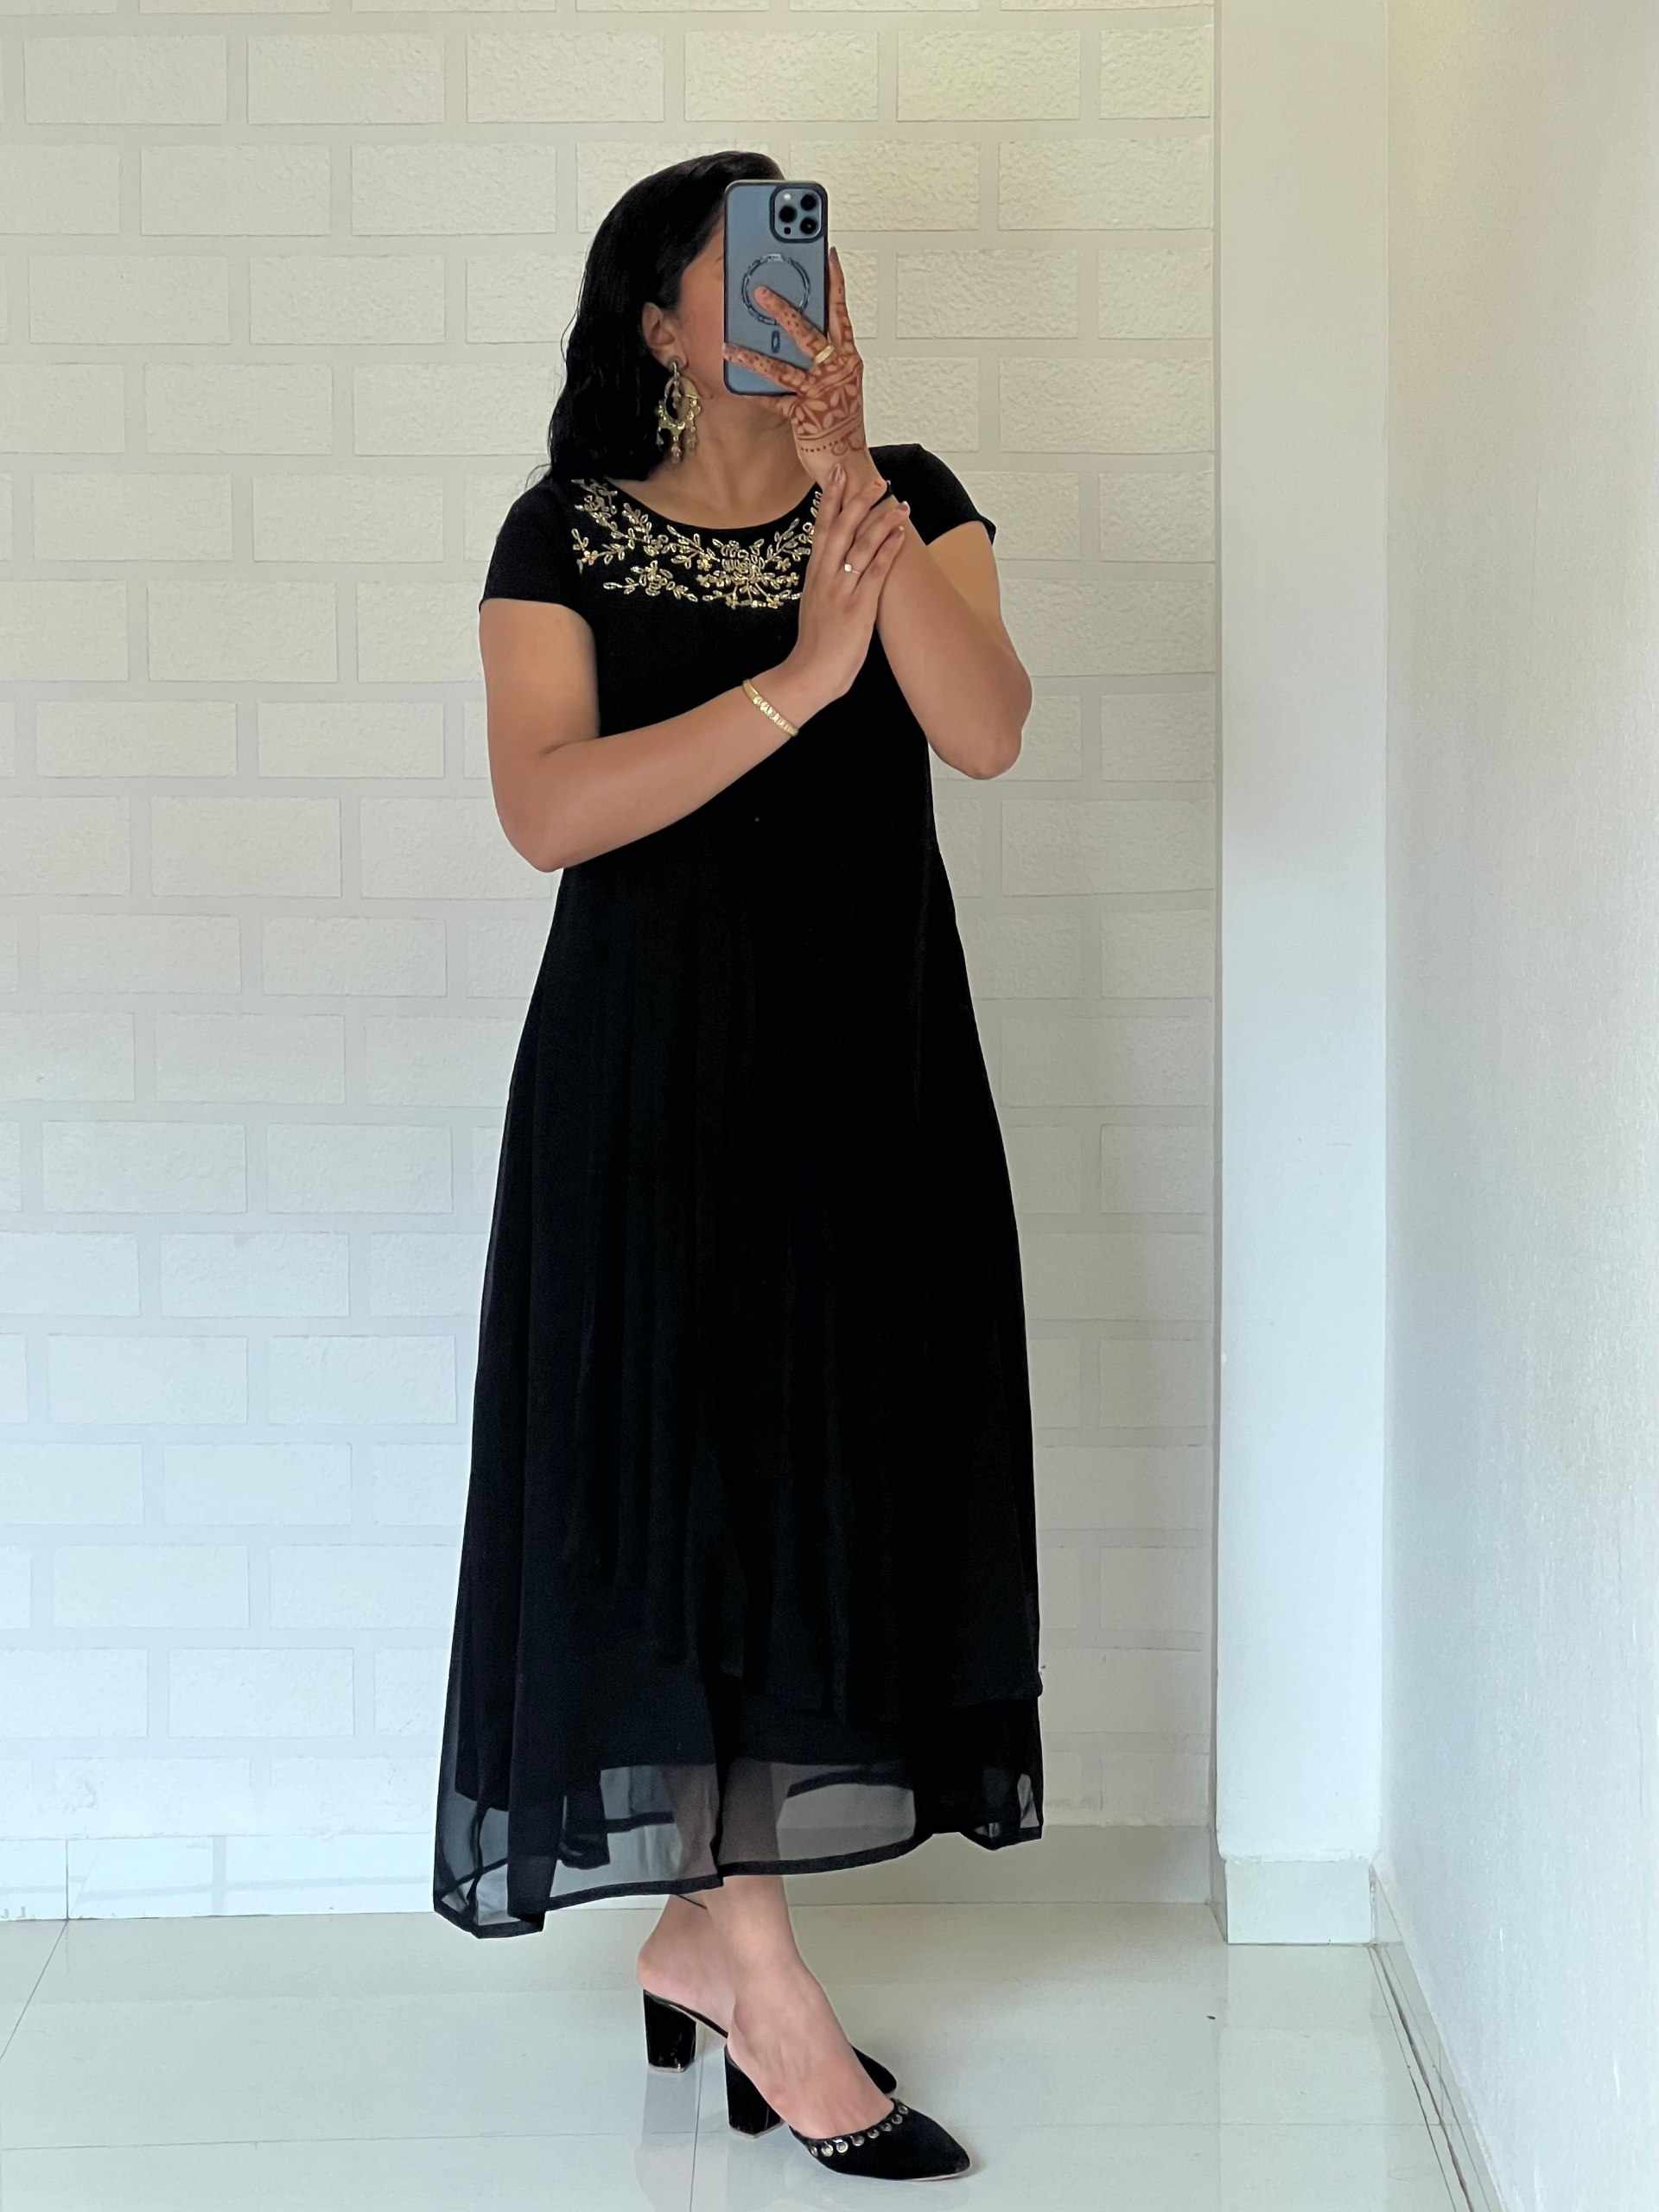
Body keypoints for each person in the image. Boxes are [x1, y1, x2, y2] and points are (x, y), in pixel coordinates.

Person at [433, 151, 1045, 2183]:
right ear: (661, 325)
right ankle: (761, 1970)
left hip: (870, 1075)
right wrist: (794, 680)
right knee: (682, 1488)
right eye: (748, 270)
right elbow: (548, 807)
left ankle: (705, 1933)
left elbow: (988, 726)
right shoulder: (566, 528)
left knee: (818, 1483)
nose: (800, 288)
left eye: (815, 257)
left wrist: (857, 479)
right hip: (647, 1089)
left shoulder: (909, 493)